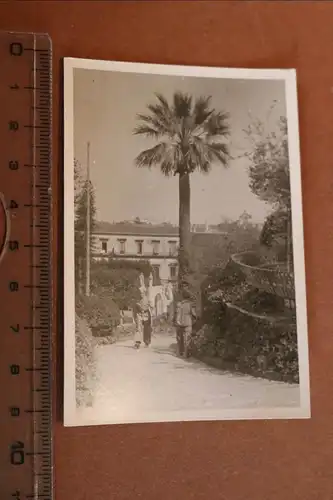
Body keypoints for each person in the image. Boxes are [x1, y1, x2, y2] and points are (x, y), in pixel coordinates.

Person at [175, 289, 197, 358]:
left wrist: (178, 321)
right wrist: (196, 317)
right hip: (188, 322)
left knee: (181, 337)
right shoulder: (190, 304)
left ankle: (181, 351)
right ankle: (187, 353)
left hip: (180, 323)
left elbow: (177, 313)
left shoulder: (180, 304)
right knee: (187, 338)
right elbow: (193, 313)